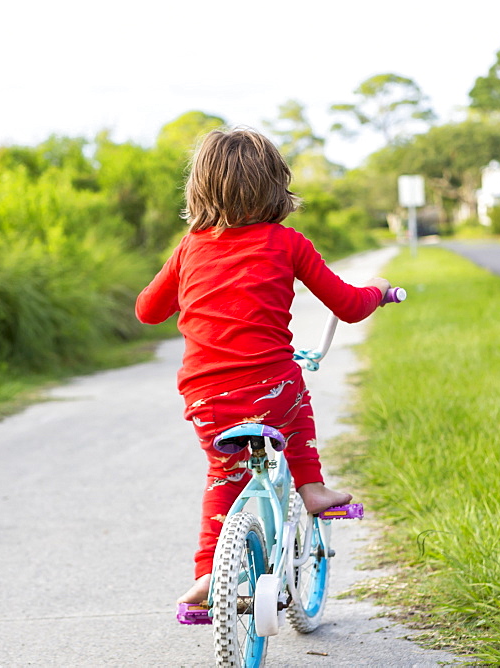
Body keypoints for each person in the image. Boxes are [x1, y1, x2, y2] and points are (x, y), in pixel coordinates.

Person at [134, 127, 390, 606]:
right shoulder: (286, 243)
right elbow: (351, 306)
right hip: (270, 389)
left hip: (205, 398)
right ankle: (312, 488)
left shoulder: (189, 248)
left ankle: (210, 573)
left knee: (222, 476)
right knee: (294, 398)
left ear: (199, 189)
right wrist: (377, 288)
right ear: (276, 185)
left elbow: (147, 310)